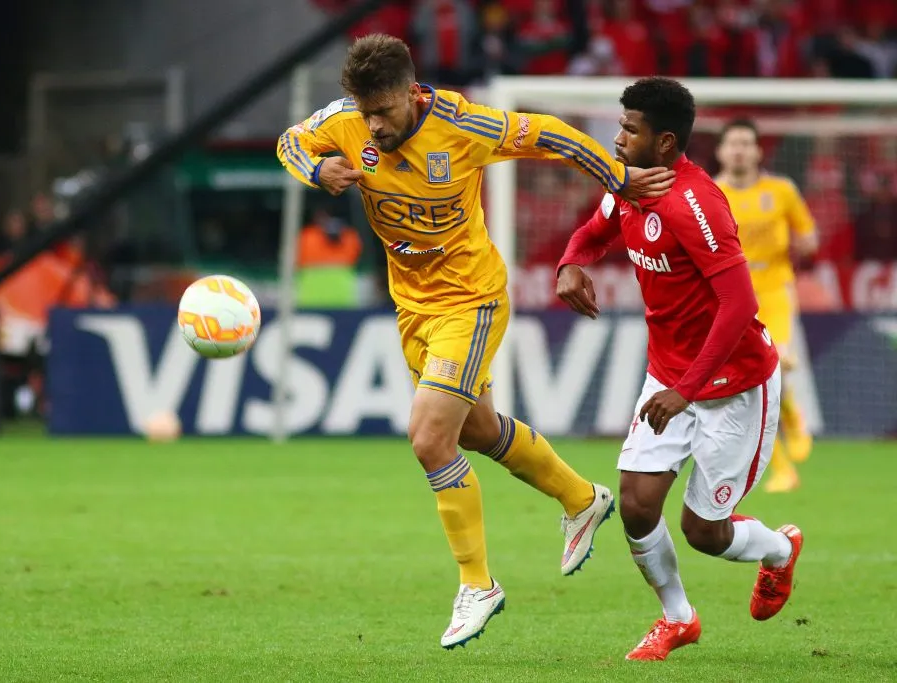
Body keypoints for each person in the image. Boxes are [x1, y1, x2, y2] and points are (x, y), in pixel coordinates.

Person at [277, 33, 675, 649]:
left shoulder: (463, 125)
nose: (374, 125)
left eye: (384, 110)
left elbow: (549, 133)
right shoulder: (345, 121)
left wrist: (618, 177)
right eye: (366, 112)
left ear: (411, 93)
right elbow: (289, 142)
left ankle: (477, 584)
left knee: (428, 437)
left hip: (472, 300)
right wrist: (317, 168)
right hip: (412, 307)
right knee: (476, 431)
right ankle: (581, 498)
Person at [556, 77, 803, 662]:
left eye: (629, 129)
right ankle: (677, 619)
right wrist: (570, 263)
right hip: (671, 377)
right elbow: (594, 231)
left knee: (704, 534)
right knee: (637, 506)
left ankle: (780, 550)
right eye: (619, 124)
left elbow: (740, 305)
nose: (616, 139)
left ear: (665, 142)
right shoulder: (630, 187)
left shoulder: (695, 203)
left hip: (735, 385)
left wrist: (686, 391)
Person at [715, 119, 818, 493]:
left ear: (759, 151)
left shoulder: (782, 190)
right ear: (721, 151)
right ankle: (782, 468)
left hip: (774, 290)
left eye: (746, 143)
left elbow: (808, 234)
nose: (739, 150)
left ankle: (791, 415)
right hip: (732, 298)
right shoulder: (711, 193)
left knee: (775, 365)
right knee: (751, 383)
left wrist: (804, 244)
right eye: (733, 143)